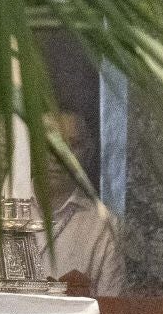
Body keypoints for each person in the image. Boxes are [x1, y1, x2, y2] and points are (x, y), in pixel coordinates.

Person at [34, 110, 126, 297]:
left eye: (72, 145)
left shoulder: (104, 226)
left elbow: (110, 311)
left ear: (89, 153)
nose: (57, 157)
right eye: (48, 144)